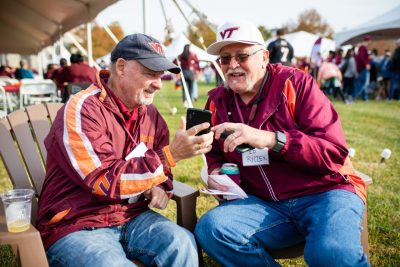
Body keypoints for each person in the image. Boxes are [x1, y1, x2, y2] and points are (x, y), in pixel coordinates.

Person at [195, 20, 369, 267]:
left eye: (241, 56)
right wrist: (216, 171)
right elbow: (215, 152)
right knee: (211, 229)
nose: (232, 65)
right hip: (263, 203)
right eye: (225, 59)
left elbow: (333, 153)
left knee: (332, 254)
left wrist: (269, 139)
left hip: (324, 192)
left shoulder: (296, 84)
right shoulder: (217, 101)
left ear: (264, 57)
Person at [36, 33, 214, 267]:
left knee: (182, 243)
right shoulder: (82, 109)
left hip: (132, 216)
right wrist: (172, 155)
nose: (159, 83)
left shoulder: (151, 115)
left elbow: (162, 173)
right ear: (121, 67)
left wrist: (160, 187)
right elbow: (102, 180)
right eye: (151, 73)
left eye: (160, 75)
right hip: (76, 222)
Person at [353, 35, 371, 101]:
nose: (370, 42)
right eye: (369, 41)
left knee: (363, 83)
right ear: (368, 41)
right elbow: (361, 57)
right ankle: (354, 96)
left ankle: (365, 98)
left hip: (362, 68)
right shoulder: (363, 47)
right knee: (364, 83)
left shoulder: (362, 47)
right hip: (363, 68)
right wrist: (366, 64)